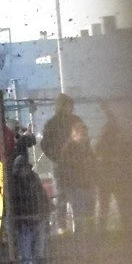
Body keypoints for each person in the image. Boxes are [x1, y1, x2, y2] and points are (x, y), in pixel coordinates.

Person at [40, 95, 85, 233]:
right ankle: (62, 228)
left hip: (75, 166)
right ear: (61, 106)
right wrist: (56, 157)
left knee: (76, 197)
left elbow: (84, 138)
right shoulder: (53, 123)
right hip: (61, 166)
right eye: (67, 105)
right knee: (62, 197)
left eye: (70, 105)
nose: (69, 108)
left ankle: (78, 227)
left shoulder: (75, 120)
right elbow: (45, 144)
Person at [8, 149, 50, 264]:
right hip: (24, 223)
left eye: (26, 167)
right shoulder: (14, 184)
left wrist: (45, 210)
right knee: (25, 253)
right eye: (22, 168)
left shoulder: (34, 178)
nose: (24, 170)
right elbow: (15, 204)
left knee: (39, 251)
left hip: (37, 219)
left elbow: (41, 195)